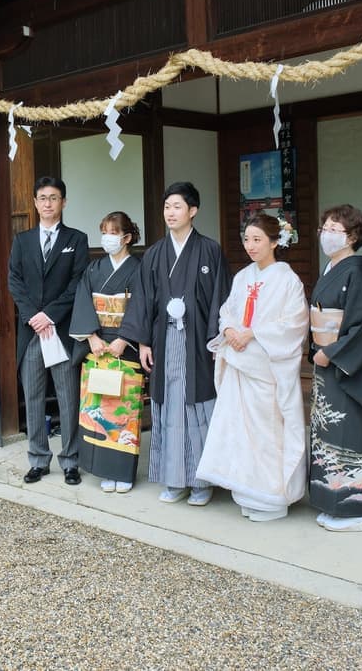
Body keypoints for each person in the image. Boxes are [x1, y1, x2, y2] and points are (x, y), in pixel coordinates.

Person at [119, 181, 230, 507]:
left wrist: (215, 340)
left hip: (198, 342)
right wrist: (143, 342)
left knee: (198, 406)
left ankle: (202, 481)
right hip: (164, 340)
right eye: (167, 207)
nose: (171, 212)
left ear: (193, 211)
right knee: (167, 408)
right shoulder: (154, 254)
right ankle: (173, 479)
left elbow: (220, 299)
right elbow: (143, 301)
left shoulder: (210, 250)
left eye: (177, 206)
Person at [195, 213, 309, 521]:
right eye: (247, 239)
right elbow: (228, 310)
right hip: (239, 363)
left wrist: (253, 333)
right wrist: (230, 330)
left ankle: (272, 495)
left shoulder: (288, 280)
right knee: (239, 430)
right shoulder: (243, 276)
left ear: (275, 242)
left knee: (267, 431)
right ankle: (245, 489)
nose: (250, 245)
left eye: (257, 239)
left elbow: (294, 325)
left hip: (266, 366)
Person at [7, 176, 89, 486]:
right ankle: (38, 459)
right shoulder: (22, 240)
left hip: (62, 330)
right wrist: (33, 317)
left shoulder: (76, 240)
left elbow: (78, 283)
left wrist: (50, 315)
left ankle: (70, 460)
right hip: (32, 333)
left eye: (54, 198)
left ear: (63, 202)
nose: (48, 203)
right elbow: (14, 280)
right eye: (42, 198)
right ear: (35, 202)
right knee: (34, 397)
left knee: (68, 398)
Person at [308, 204, 362, 532]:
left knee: (345, 434)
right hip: (325, 359)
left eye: (334, 229)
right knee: (326, 434)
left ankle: (355, 512)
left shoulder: (355, 272)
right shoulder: (333, 268)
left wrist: (332, 352)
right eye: (324, 227)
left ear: (351, 236)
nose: (326, 233)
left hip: (340, 362)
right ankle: (332, 503)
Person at [69, 211, 143, 493]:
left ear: (126, 237)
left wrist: (125, 338)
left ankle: (123, 473)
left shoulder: (138, 269)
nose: (107, 237)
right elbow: (83, 300)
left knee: (123, 412)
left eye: (113, 232)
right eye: (104, 231)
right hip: (98, 348)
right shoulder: (93, 269)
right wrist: (91, 336)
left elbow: (143, 307)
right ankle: (102, 469)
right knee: (97, 409)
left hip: (125, 348)